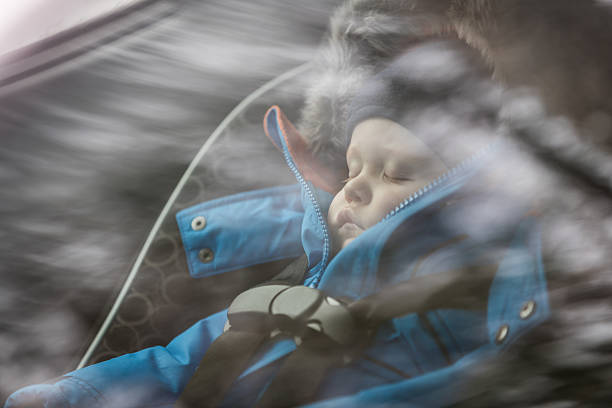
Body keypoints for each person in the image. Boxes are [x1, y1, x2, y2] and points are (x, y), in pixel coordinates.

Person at [4, 40, 549, 408]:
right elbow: (177, 363)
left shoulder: (452, 299)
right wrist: (77, 394)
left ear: (454, 197)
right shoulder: (301, 283)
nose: (354, 187)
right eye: (353, 166)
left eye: (397, 176)